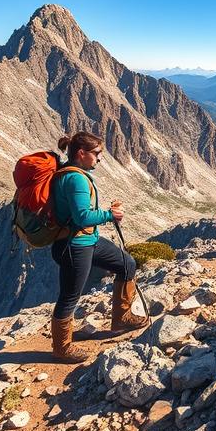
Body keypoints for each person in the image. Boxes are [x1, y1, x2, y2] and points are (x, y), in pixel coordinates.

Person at [49, 130, 147, 362]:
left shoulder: (72, 173)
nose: (100, 159)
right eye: (97, 154)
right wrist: (109, 215)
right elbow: (82, 217)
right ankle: (61, 348)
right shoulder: (75, 178)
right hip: (74, 246)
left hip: (87, 241)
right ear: (82, 154)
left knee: (126, 263)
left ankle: (121, 319)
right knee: (70, 296)